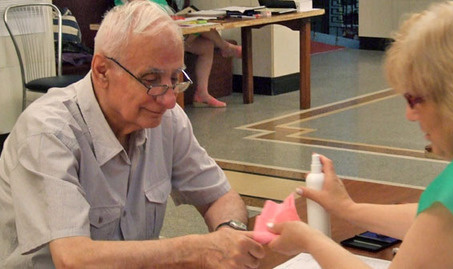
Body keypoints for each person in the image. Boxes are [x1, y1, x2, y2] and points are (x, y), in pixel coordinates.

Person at [0, 1, 264, 268]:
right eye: (151, 79)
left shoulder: (166, 121)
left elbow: (219, 196)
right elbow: (73, 258)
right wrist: (194, 249)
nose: (170, 100)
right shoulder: (48, 133)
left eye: (175, 78)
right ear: (102, 70)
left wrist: (230, 232)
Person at [265, 1, 453, 268]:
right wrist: (346, 209)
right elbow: (437, 223)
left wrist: (310, 241)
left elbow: (450, 218)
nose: (409, 115)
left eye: (414, 99)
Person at [115, 0, 242, 108]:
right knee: (201, 28)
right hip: (152, 35)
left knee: (206, 46)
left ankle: (202, 94)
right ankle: (226, 47)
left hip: (173, 29)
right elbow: (136, 14)